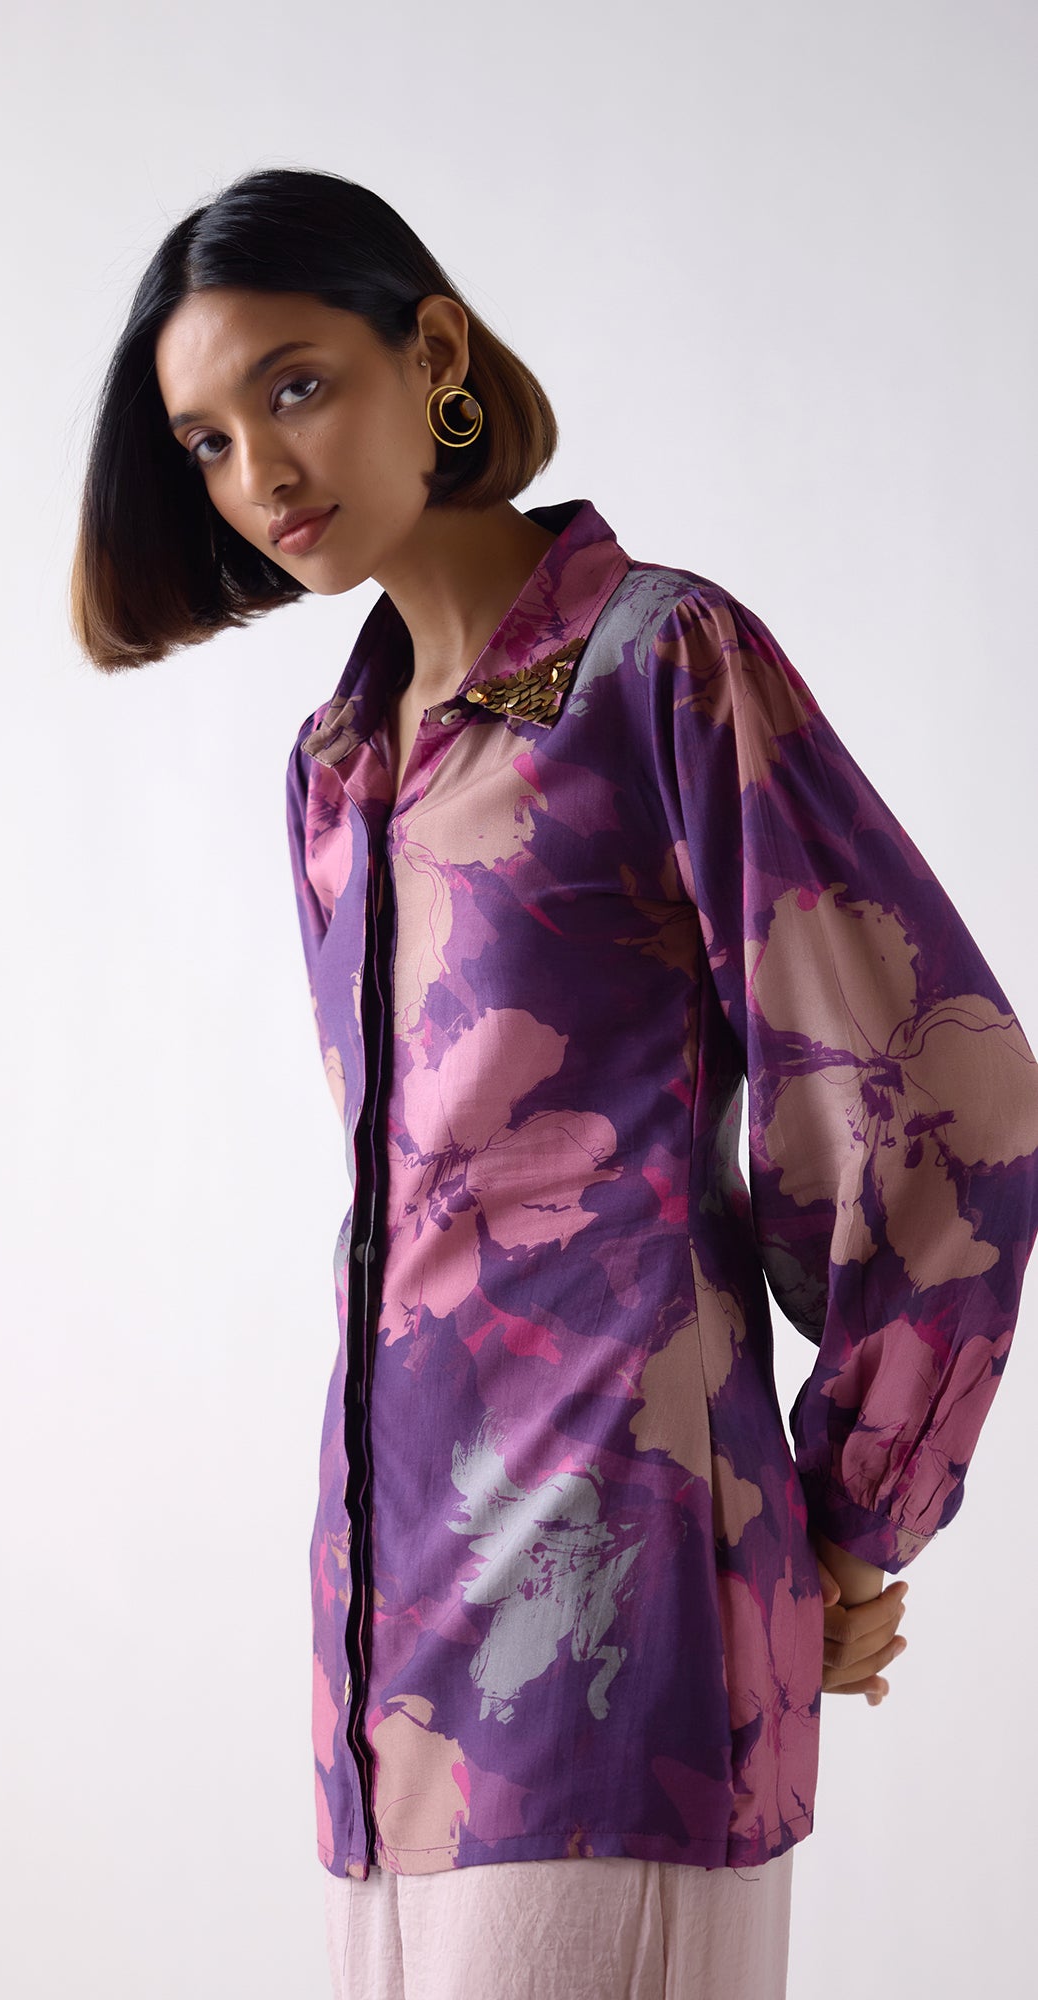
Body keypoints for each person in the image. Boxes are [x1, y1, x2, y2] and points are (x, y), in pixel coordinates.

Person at [69, 166, 1038, 2000]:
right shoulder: (339, 766)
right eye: (205, 440)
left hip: (623, 1635)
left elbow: (943, 1095)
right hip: (387, 1667)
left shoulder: (657, 667)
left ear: (433, 353)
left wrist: (844, 1519)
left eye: (295, 385)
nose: (259, 471)